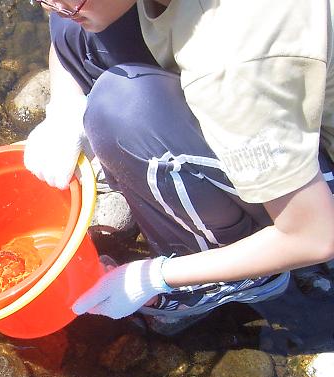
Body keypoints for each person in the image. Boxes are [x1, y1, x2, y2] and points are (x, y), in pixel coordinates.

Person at [23, 0, 334, 333]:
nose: (52, 7)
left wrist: (153, 277)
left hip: (316, 189)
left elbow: (314, 236)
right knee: (74, 30)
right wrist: (65, 109)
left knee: (121, 109)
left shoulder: (230, 65)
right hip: (252, 93)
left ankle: (236, 278)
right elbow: (66, 24)